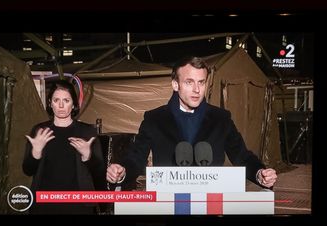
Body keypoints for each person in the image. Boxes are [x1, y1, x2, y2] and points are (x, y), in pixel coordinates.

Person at [106, 56, 277, 189]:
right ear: (175, 84)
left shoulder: (221, 118)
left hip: (211, 203)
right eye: (189, 82)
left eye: (201, 82)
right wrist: (122, 171)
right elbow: (136, 157)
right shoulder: (155, 119)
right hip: (168, 204)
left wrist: (259, 173)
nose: (197, 90)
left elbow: (242, 156)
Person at [23, 80, 106, 214]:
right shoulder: (40, 130)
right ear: (50, 103)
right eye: (56, 100)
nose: (61, 105)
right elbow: (27, 169)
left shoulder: (86, 132)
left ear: (73, 104)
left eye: (66, 100)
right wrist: (36, 152)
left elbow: (99, 172)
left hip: (79, 205)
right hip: (44, 203)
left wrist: (87, 155)